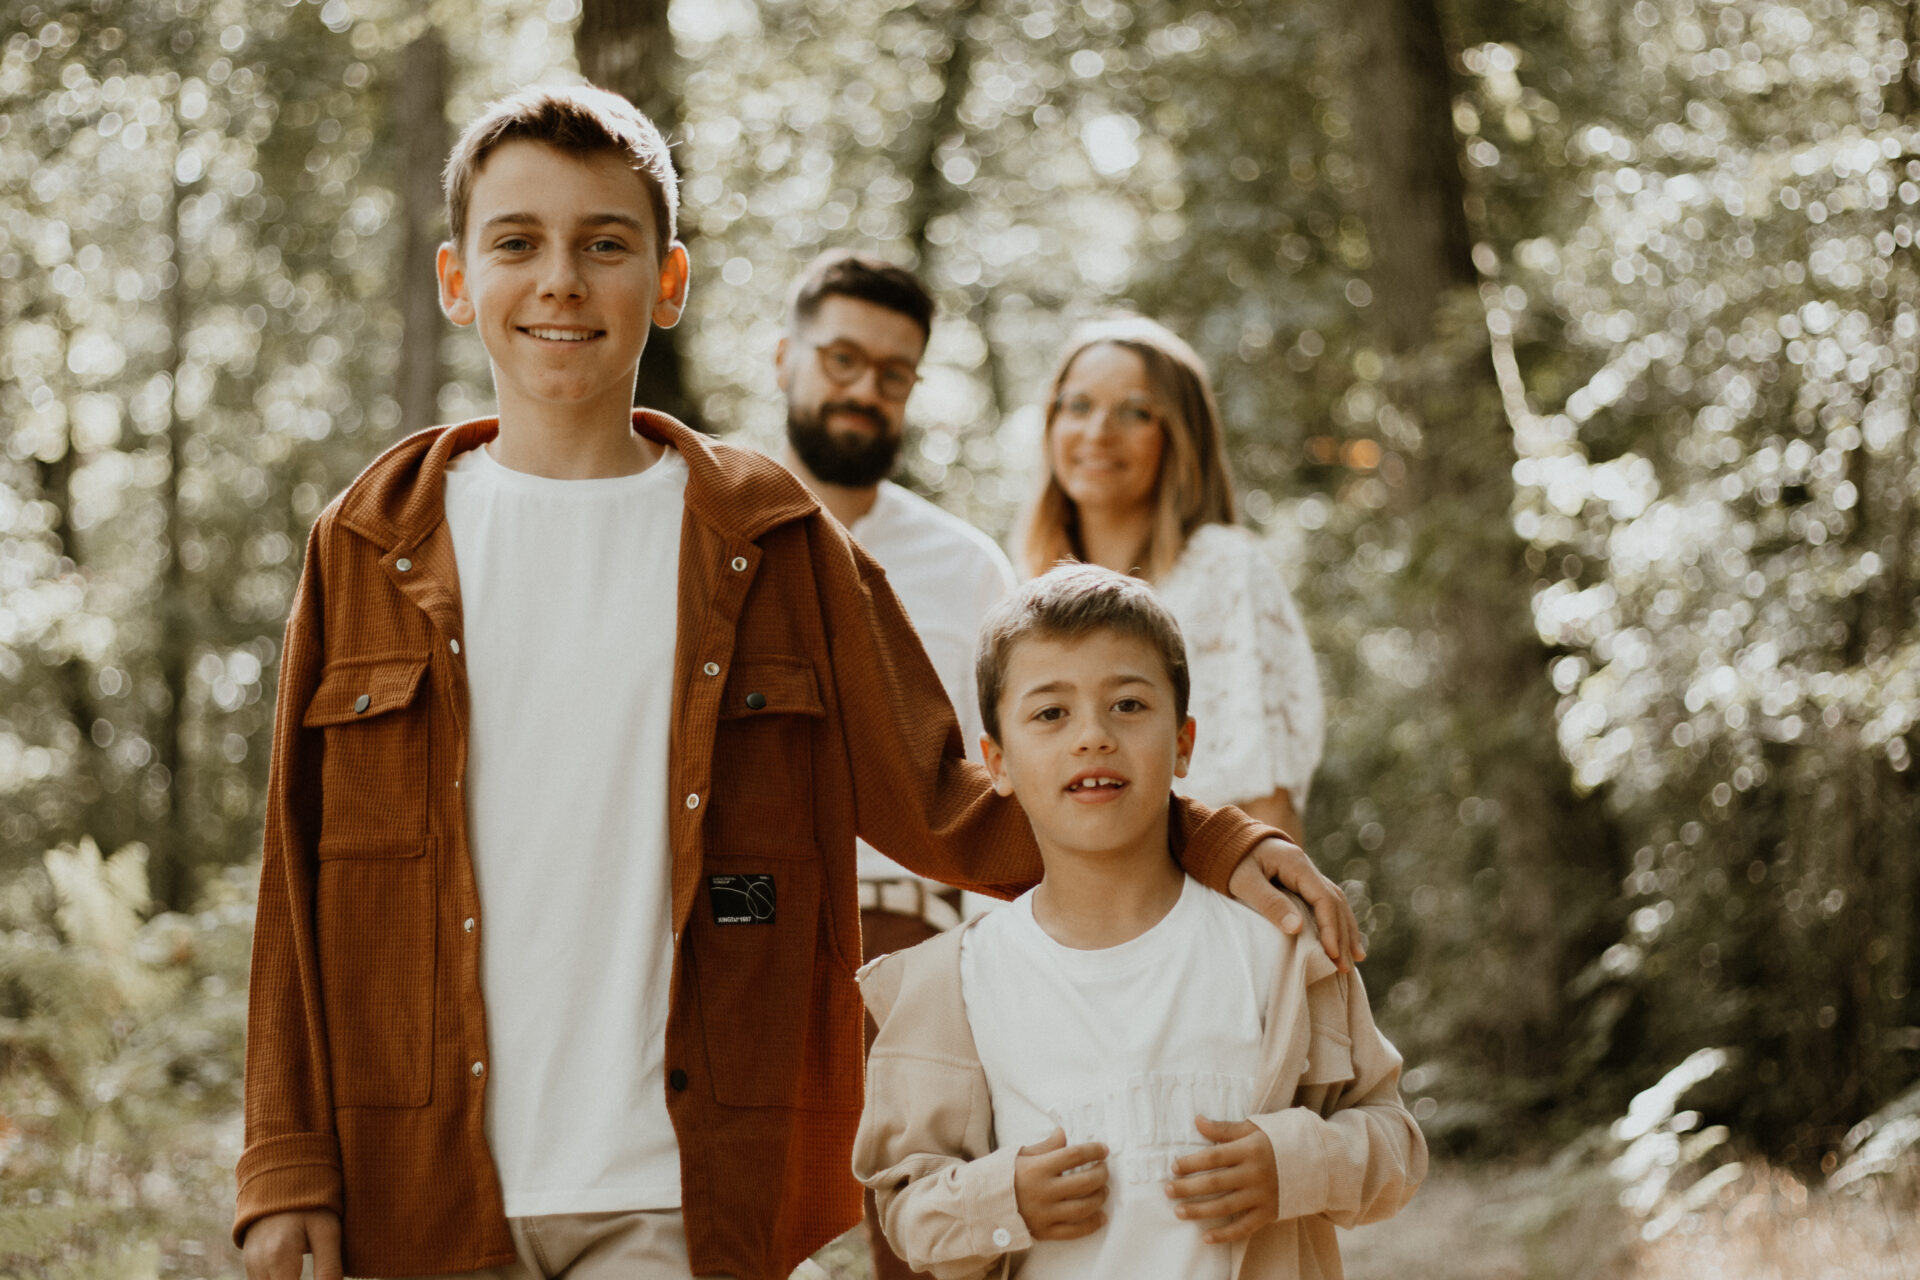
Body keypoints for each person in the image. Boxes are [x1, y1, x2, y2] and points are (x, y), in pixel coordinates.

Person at [233, 86, 1360, 1280]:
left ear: (667, 284)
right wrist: (285, 1160)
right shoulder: (366, 540)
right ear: (459, 280)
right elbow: (294, 884)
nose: (561, 279)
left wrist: (1211, 835)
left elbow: (957, 803)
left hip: (677, 1190)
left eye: (605, 244)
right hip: (418, 1181)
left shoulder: (771, 537)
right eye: (518, 242)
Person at [854, 565, 1425, 1279]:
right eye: (1050, 713)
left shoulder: (1280, 949)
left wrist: (1293, 1166)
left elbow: (1395, 1143)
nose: (1092, 736)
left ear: (1184, 744)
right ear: (996, 763)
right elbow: (908, 1209)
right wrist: (1004, 1201)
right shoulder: (952, 986)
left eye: (1127, 704)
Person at [772, 249, 1016, 1280]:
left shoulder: (968, 568)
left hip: (924, 949)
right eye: (841, 357)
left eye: (894, 372)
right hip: (737, 937)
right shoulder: (698, 519)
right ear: (785, 356)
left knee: (926, 1241)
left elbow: (1002, 772)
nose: (864, 388)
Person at [1017, 316, 1324, 844]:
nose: (1098, 432)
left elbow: (1268, 806)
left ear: (1178, 436)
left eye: (1135, 412)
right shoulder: (1019, 591)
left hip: (1206, 903)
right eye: (1079, 406)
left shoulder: (1227, 572)